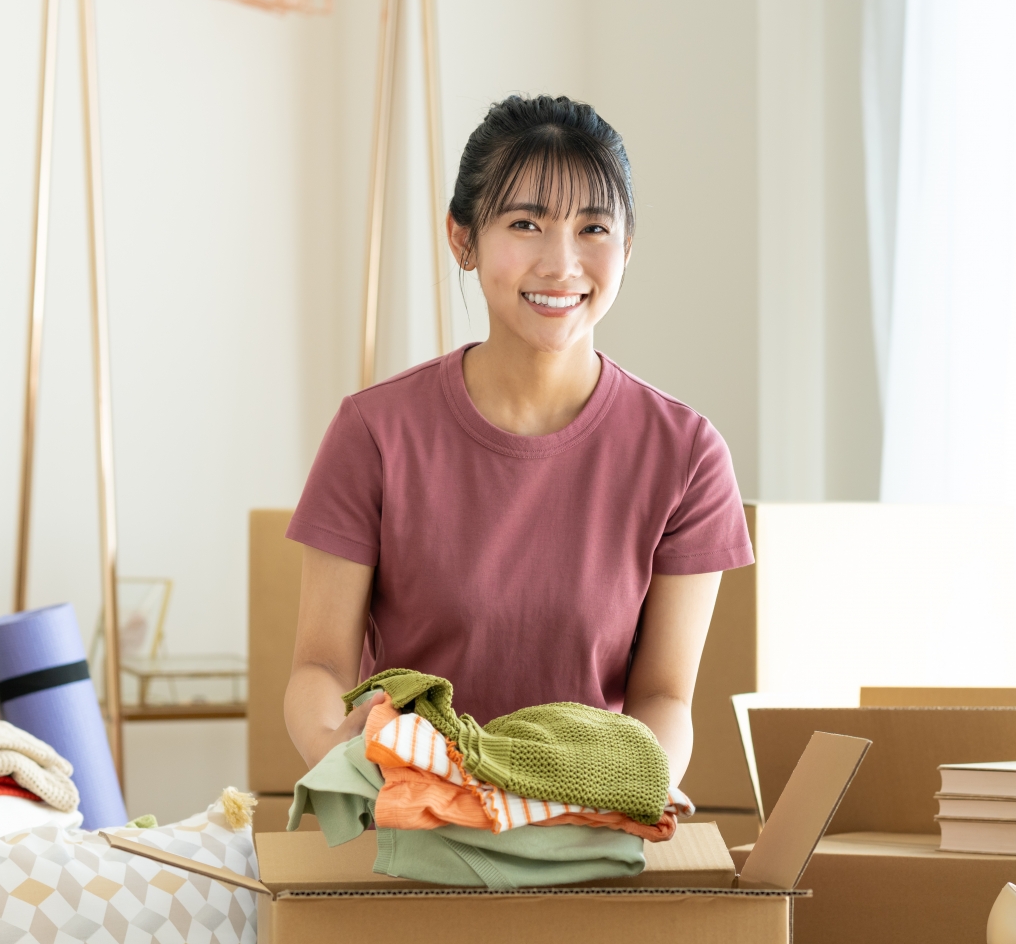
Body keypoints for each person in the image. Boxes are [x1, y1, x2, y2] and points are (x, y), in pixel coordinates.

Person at [283, 94, 753, 788]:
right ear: (462, 238)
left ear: (626, 248)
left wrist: (634, 788)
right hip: (413, 811)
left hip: (589, 824)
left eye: (593, 228)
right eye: (526, 223)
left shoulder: (686, 454)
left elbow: (664, 697)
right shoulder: (376, 432)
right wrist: (338, 753)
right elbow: (319, 667)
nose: (562, 264)